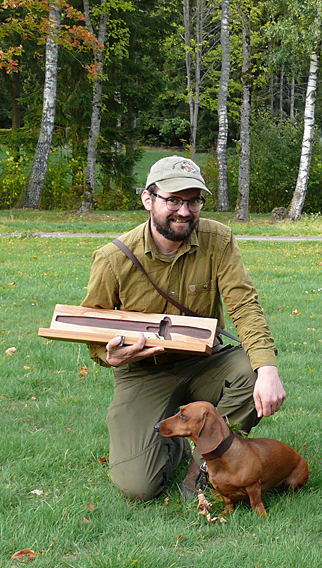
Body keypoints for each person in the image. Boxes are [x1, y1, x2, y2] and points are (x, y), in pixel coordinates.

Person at [82, 156, 285, 500]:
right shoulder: (113, 258)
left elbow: (243, 304)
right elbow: (92, 324)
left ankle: (204, 465)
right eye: (172, 200)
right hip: (144, 372)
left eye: (193, 201)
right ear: (148, 199)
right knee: (139, 487)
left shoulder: (218, 240)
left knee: (251, 371)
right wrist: (109, 355)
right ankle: (177, 444)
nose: (184, 211)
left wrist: (267, 367)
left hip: (207, 361)